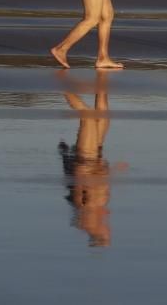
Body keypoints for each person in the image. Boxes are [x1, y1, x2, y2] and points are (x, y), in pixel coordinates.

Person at [57, 69, 117, 247]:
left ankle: (62, 86)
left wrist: (67, 158)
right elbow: (102, 184)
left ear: (99, 234)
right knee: (103, 113)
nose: (110, 231)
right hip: (97, 158)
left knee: (88, 117)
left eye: (107, 235)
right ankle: (101, 79)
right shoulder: (98, 213)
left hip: (87, 160)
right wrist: (115, 170)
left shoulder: (84, 213)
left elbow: (75, 184)